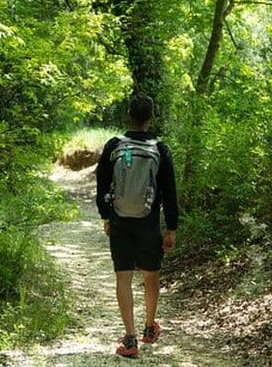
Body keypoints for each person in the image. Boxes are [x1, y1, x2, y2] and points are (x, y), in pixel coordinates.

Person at [96, 93, 179, 358]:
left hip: (120, 220)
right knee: (150, 275)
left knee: (123, 277)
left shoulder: (114, 145)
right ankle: (149, 329)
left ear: (128, 116)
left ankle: (130, 341)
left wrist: (106, 217)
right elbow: (169, 192)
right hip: (149, 221)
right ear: (151, 117)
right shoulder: (160, 148)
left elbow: (101, 186)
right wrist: (171, 228)